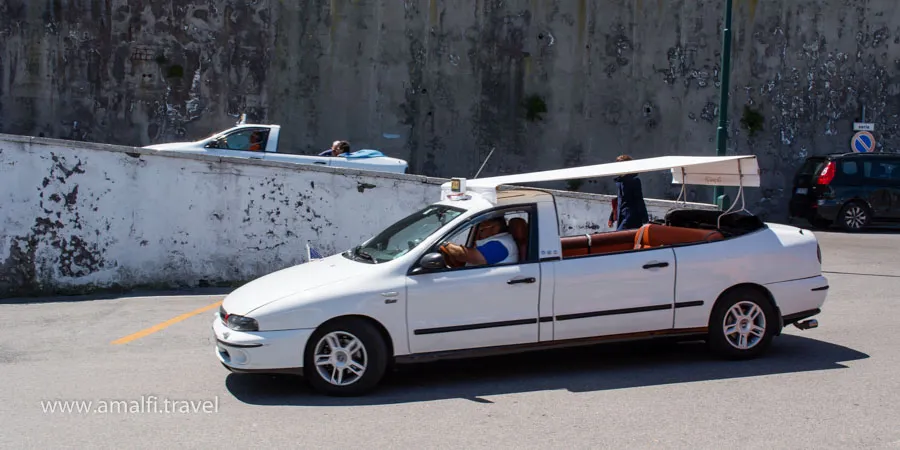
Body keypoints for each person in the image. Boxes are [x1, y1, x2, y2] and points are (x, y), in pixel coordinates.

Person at [439, 218, 519, 267]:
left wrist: (444, 244)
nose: (480, 231)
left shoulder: (499, 245)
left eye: (482, 229)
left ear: (495, 227)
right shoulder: (500, 240)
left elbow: (465, 255)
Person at [607, 154, 649, 230]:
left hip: (631, 217)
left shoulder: (634, 181)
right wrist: (611, 217)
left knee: (619, 237)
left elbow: (639, 199)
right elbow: (619, 200)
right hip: (621, 216)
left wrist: (644, 218)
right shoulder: (620, 181)